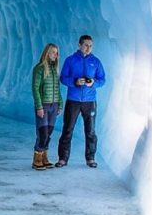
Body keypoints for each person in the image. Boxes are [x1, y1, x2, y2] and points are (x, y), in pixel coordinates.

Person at [55, 35, 106, 168]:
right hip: (73, 100)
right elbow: (63, 78)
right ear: (79, 45)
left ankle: (90, 158)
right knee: (67, 129)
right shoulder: (70, 60)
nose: (88, 48)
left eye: (90, 45)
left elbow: (102, 80)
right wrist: (74, 82)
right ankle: (63, 158)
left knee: (90, 131)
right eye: (86, 45)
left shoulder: (96, 62)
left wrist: (93, 83)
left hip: (90, 101)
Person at [31, 43, 63, 170]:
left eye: (56, 52)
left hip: (54, 106)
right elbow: (35, 88)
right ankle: (37, 158)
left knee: (48, 132)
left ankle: (44, 156)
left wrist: (60, 104)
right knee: (42, 132)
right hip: (43, 106)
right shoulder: (39, 68)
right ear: (47, 53)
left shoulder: (55, 69)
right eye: (53, 52)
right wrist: (39, 106)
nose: (55, 55)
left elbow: (58, 89)